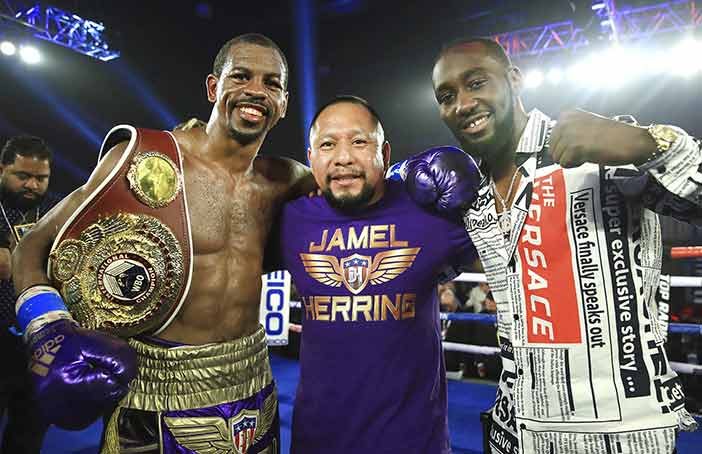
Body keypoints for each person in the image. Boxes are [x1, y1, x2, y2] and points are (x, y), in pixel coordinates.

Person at [12, 33, 315, 453]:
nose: (256, 92)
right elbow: (34, 245)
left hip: (252, 386)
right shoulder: (144, 160)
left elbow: (363, 203)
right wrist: (47, 326)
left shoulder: (288, 180)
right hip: (154, 389)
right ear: (214, 87)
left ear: (283, 102)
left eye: (271, 83)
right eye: (241, 76)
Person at [430, 37, 700, 453]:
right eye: (447, 96)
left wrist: (651, 143)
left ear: (514, 79)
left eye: (477, 82)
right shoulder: (469, 191)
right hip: (514, 430)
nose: (462, 104)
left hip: (621, 434)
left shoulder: (596, 143)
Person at [271, 95, 480, 453]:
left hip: (413, 443)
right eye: (327, 144)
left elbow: (514, 251)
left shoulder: (427, 213)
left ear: (384, 155)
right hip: (315, 442)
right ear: (311, 159)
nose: (344, 157)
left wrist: (485, 178)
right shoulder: (290, 220)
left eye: (359, 141)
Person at [0, 135, 61, 453]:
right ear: (2, 169)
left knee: (29, 432)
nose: (32, 185)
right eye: (22, 176)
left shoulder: (56, 212)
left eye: (41, 178)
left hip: (39, 341)